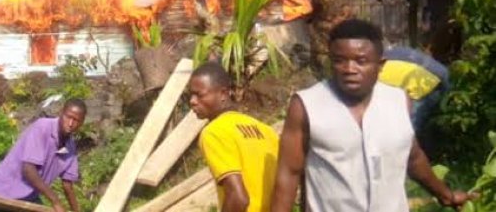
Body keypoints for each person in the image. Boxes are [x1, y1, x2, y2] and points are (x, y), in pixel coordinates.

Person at [270, 19, 473, 212]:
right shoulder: (307, 105)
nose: (349, 69)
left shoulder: (398, 101)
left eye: (360, 61)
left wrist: (446, 195)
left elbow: (413, 157)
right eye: (340, 61)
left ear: (380, 65)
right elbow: (289, 172)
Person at [188, 61, 278, 212]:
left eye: (199, 95)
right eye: (191, 95)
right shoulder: (266, 130)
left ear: (223, 93)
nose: (192, 101)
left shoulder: (214, 132)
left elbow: (239, 198)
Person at [0, 99, 87, 212]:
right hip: (4, 191)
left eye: (76, 120)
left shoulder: (70, 147)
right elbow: (28, 170)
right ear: (61, 113)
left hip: (28, 196)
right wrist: (55, 201)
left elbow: (67, 184)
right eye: (68, 117)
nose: (71, 123)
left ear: (81, 123)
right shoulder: (42, 128)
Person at [379, 46, 450, 131]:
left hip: (420, 91)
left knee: (409, 129)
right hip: (428, 86)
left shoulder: (386, 59)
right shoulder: (397, 54)